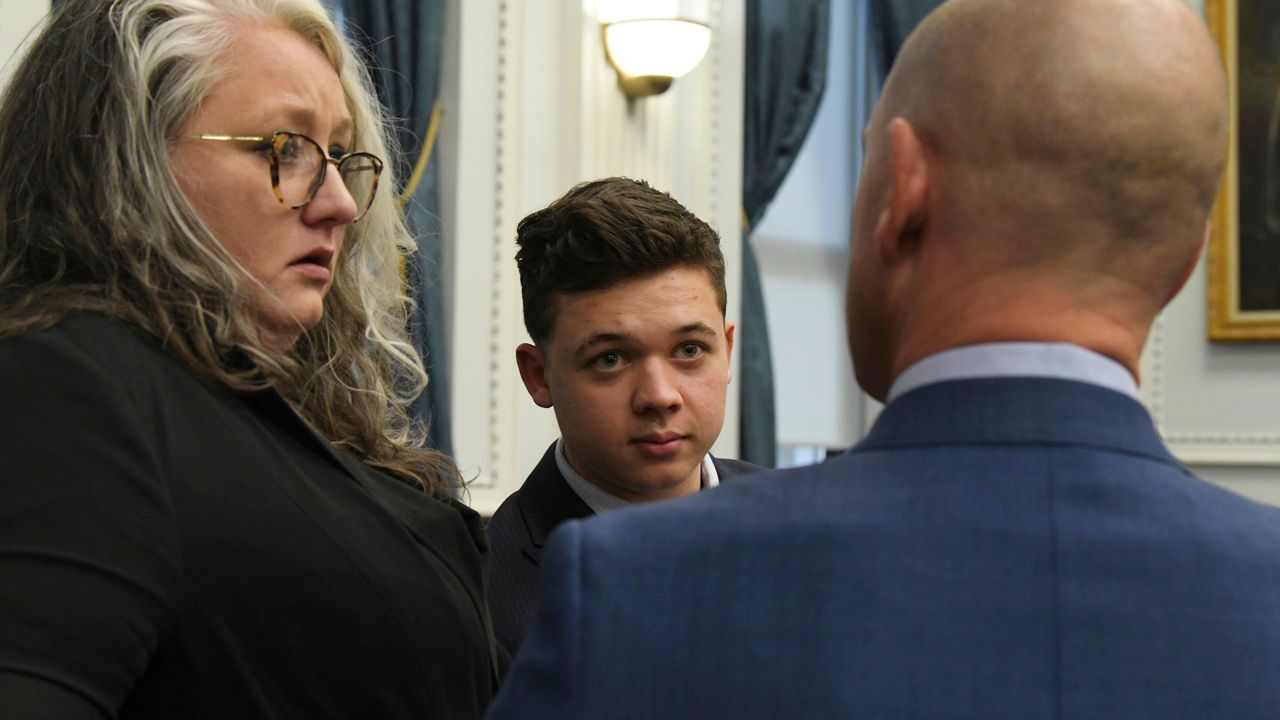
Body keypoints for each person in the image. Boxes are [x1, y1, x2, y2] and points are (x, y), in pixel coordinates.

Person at [487, 0, 1280, 716]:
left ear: (904, 192)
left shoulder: (626, 584)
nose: (658, 393)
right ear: (1187, 258)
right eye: (610, 360)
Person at [0, 0, 496, 717]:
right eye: (284, 148)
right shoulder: (62, 387)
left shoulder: (281, 410)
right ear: (126, 160)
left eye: (339, 156)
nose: (339, 204)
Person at [486, 177, 760, 658]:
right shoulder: (481, 597)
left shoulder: (800, 525)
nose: (659, 396)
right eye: (610, 359)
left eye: (690, 350)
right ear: (538, 375)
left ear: (728, 350)